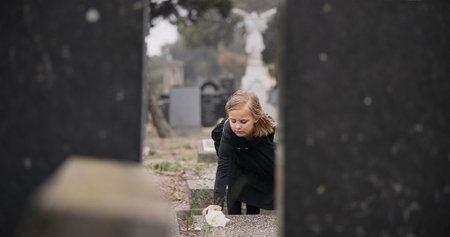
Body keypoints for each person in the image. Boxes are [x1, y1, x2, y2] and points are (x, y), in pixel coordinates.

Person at [202, 90, 276, 216]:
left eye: (243, 121)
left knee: (254, 182)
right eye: (233, 120)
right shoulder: (229, 130)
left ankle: (253, 222)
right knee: (234, 179)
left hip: (255, 152)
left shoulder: (267, 127)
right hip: (234, 152)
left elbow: (265, 157)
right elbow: (223, 167)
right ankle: (234, 221)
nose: (237, 126)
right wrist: (217, 203)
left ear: (256, 118)